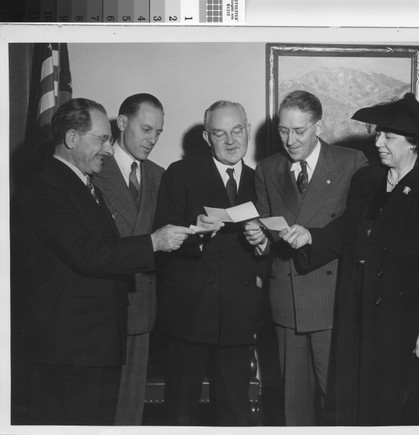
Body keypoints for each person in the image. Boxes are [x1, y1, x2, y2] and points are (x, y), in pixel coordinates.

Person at [281, 93, 419, 425]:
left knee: (408, 413)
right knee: (364, 412)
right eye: (378, 133)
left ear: (414, 143)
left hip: (411, 327)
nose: (379, 142)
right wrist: (313, 235)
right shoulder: (367, 180)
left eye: (389, 137)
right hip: (362, 323)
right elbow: (348, 229)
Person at [13, 98, 194, 425]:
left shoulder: (79, 184)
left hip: (91, 343)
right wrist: (153, 242)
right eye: (100, 140)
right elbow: (87, 253)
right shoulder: (47, 186)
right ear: (71, 139)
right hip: (69, 350)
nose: (108, 150)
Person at [244, 90, 367, 425]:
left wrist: (313, 234)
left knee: (338, 405)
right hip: (286, 302)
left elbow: (359, 228)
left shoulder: (350, 162)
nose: (290, 140)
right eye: (284, 130)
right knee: (293, 409)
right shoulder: (268, 169)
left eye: (299, 131)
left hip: (332, 301)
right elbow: (269, 233)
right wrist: (259, 239)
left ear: (318, 126)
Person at [153, 100, 268, 425]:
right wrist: (196, 234)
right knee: (180, 413)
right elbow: (161, 239)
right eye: (220, 134)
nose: (231, 141)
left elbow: (270, 247)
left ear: (247, 131)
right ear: (207, 138)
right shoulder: (181, 174)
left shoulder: (261, 180)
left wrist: (262, 245)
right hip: (189, 317)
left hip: (238, 319)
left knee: (236, 413)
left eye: (236, 131)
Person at [92, 93, 165, 425]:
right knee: (97, 410)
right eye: (146, 129)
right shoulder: (92, 169)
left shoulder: (161, 176)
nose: (151, 140)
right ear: (121, 123)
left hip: (142, 308)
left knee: (130, 413)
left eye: (158, 133)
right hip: (101, 307)